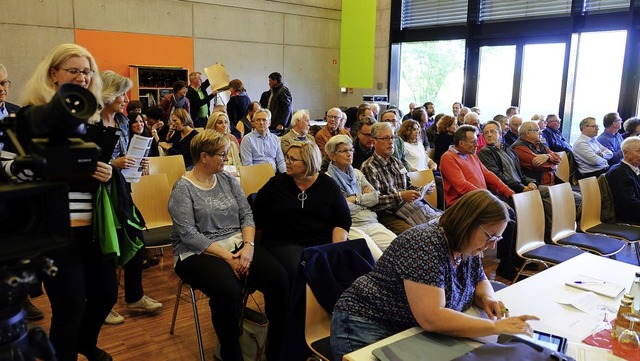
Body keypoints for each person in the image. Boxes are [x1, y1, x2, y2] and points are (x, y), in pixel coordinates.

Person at [330, 190, 539, 360]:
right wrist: (494, 326)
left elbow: (479, 279)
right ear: (467, 223)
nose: (492, 245)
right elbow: (432, 317)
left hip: (407, 327)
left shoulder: (466, 243)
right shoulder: (424, 244)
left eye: (497, 238)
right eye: (490, 236)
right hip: (364, 323)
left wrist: (488, 298)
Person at [17, 43, 115, 361]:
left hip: (94, 226)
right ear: (53, 74)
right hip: (56, 230)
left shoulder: (89, 120)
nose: (83, 77)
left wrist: (108, 173)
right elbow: (21, 174)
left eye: (87, 71)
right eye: (74, 70)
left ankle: (84, 343)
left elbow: (102, 171)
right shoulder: (32, 116)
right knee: (70, 305)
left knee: (105, 295)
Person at [168, 130, 287, 361]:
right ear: (204, 157)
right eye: (222, 155)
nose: (226, 159)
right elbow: (188, 234)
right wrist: (227, 257)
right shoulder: (182, 189)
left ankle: (276, 347)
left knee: (278, 278)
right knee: (227, 291)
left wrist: (249, 247)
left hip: (237, 245)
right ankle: (232, 354)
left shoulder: (227, 179)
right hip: (197, 252)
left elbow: (246, 215)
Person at [252, 141, 351, 284]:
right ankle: (303, 306)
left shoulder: (328, 185)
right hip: (285, 242)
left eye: (293, 159)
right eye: (287, 157)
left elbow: (342, 220)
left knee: (345, 267)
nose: (287, 162)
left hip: (322, 241)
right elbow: (258, 216)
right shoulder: (276, 184)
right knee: (305, 270)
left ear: (308, 162)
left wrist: (335, 249)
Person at [439, 125, 518, 279]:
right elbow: (462, 186)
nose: (477, 144)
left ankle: (513, 256)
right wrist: (492, 200)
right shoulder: (448, 158)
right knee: (507, 217)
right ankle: (505, 263)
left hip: (481, 199)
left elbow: (488, 175)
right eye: (473, 142)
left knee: (514, 209)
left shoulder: (472, 154)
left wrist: (509, 192)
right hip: (463, 204)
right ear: (461, 143)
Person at [361, 122, 440, 235]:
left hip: (408, 206)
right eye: (385, 138)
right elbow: (374, 201)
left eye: (392, 137)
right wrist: (400, 196)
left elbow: (408, 186)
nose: (391, 142)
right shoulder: (369, 167)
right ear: (374, 142)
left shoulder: (397, 162)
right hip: (388, 213)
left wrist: (422, 190)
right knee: (417, 234)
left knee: (441, 221)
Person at [325, 135, 397, 253]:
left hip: (371, 221)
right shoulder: (327, 180)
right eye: (344, 151)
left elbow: (374, 198)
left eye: (351, 150)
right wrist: (363, 199)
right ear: (332, 156)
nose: (349, 154)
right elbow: (340, 208)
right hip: (352, 226)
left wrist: (354, 199)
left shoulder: (357, 174)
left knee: (398, 250)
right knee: (377, 257)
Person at [511, 121, 562, 186]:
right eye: (537, 130)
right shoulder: (519, 147)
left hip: (552, 183)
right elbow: (542, 165)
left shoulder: (539, 144)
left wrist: (547, 156)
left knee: (573, 194)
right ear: (528, 133)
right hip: (536, 185)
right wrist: (554, 165)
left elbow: (558, 158)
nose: (540, 132)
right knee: (575, 196)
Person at [239, 108, 286, 173]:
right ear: (254, 123)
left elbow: (280, 161)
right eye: (258, 120)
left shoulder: (275, 139)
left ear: (269, 123)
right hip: (256, 177)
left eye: (264, 120)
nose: (261, 123)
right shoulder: (247, 139)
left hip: (274, 176)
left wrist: (287, 175)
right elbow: (247, 165)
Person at [606, 137, 640, 225]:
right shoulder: (619, 173)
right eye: (639, 151)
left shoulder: (633, 168)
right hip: (628, 217)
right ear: (626, 153)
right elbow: (629, 204)